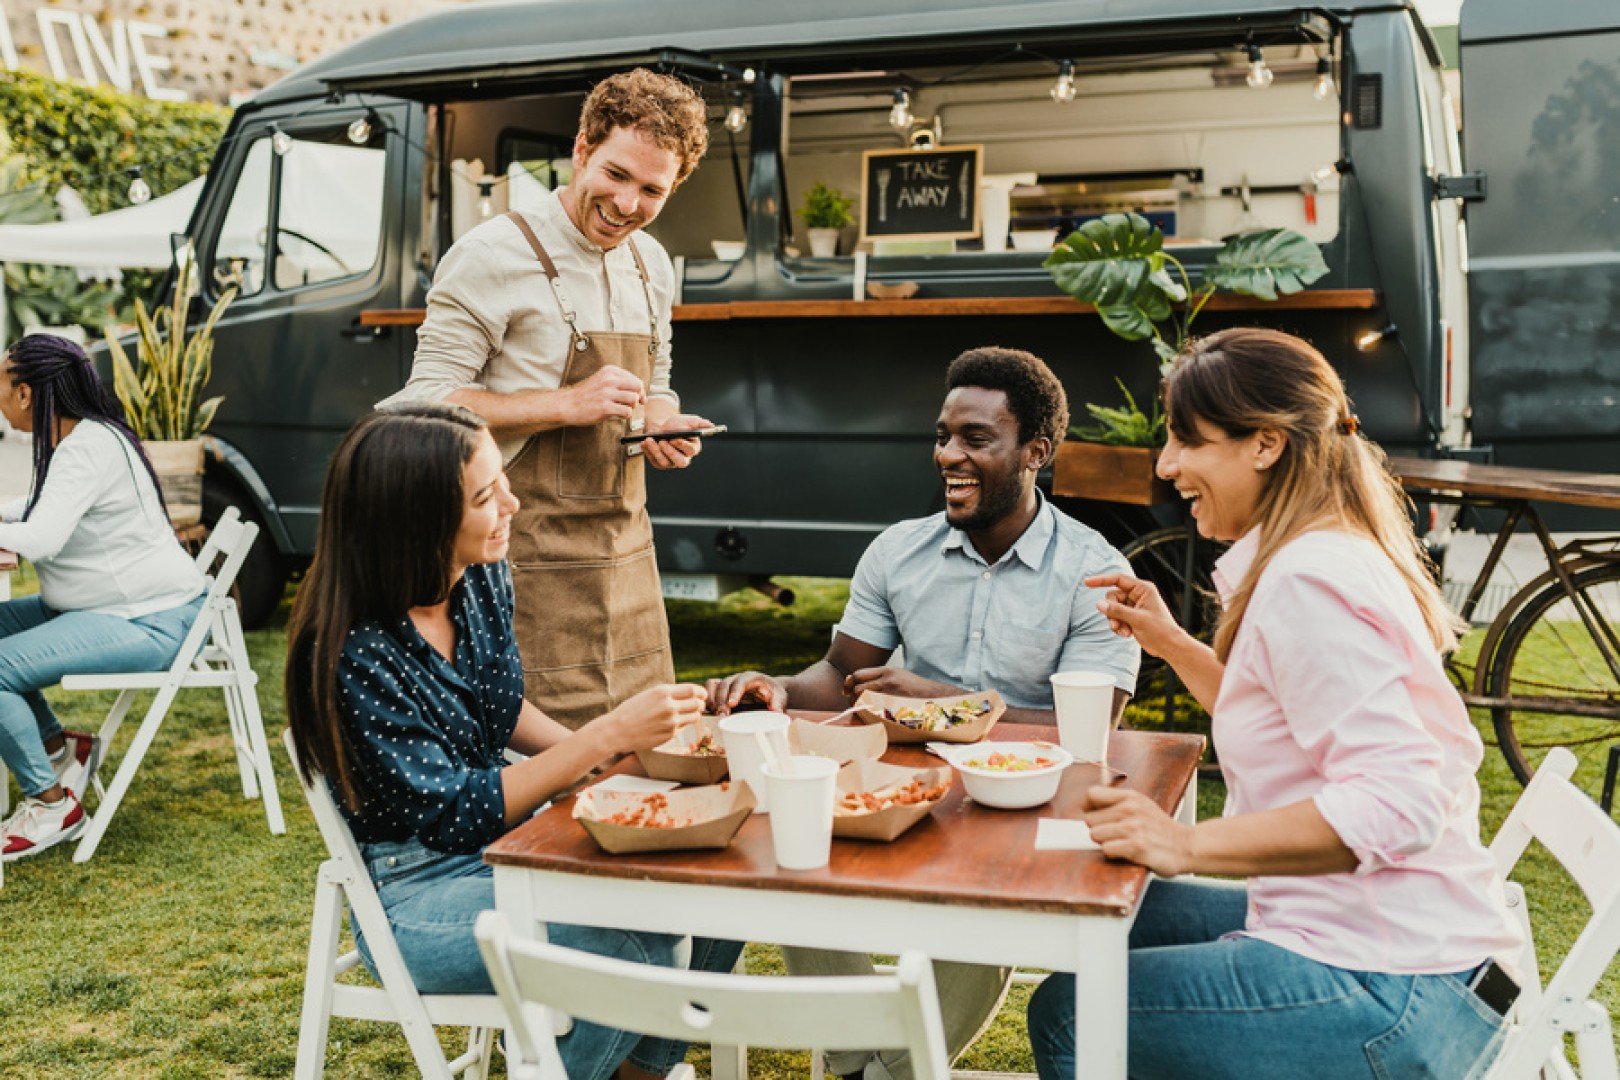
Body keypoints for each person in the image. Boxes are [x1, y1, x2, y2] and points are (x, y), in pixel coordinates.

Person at [1026, 328, 1523, 1080]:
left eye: (1187, 441)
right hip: (1397, 944)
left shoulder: (1308, 581)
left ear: (1264, 445)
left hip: (1401, 987)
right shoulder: (1321, 551)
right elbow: (1296, 719)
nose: (1166, 466)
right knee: (1117, 910)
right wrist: (1173, 645)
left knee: (1071, 1015)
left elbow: (1401, 803)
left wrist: (1183, 845)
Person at [707, 345, 1141, 1080]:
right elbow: (841, 673)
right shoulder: (897, 552)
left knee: (996, 896)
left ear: (1036, 451)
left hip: (1024, 809)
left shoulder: (1096, 573)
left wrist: (950, 704)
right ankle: (856, 1063)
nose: (948, 455)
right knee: (800, 841)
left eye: (976, 439)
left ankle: (893, 1072)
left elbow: (1086, 732)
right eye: (943, 436)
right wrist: (776, 687)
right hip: (896, 793)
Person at [285, 404, 742, 1080]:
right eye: (485, 495)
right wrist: (603, 737)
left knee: (715, 890)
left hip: (513, 847)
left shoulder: (476, 577)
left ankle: (635, 1071)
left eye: (503, 480)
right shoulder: (355, 652)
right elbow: (457, 810)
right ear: (417, 521)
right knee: (628, 942)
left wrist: (616, 759)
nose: (513, 502)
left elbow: (500, 710)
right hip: (417, 893)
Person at [382, 68, 713, 729]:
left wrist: (664, 423)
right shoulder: (491, 254)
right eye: (616, 175)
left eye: (652, 190)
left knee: (651, 757)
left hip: (627, 560)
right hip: (519, 556)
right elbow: (418, 407)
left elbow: (659, 380)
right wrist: (563, 404)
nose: (627, 204)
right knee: (549, 778)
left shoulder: (654, 265)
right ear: (582, 148)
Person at [0, 333, 205, 860]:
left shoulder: (85, 448)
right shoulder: (89, 438)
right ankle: (59, 748)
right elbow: (40, 507)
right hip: (121, 604)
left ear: (25, 393)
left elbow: (41, 538)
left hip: (145, 618)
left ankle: (52, 804)